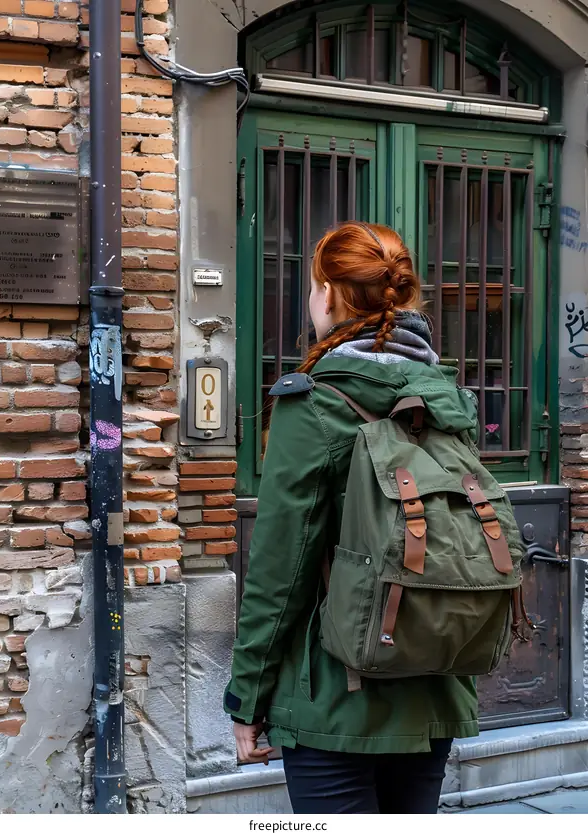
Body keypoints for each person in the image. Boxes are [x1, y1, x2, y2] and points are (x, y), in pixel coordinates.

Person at [224, 222, 479, 814]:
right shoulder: (444, 397)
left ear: (331, 294)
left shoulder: (313, 402)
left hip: (332, 694)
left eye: (314, 287)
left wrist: (249, 698)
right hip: (434, 684)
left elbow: (280, 569)